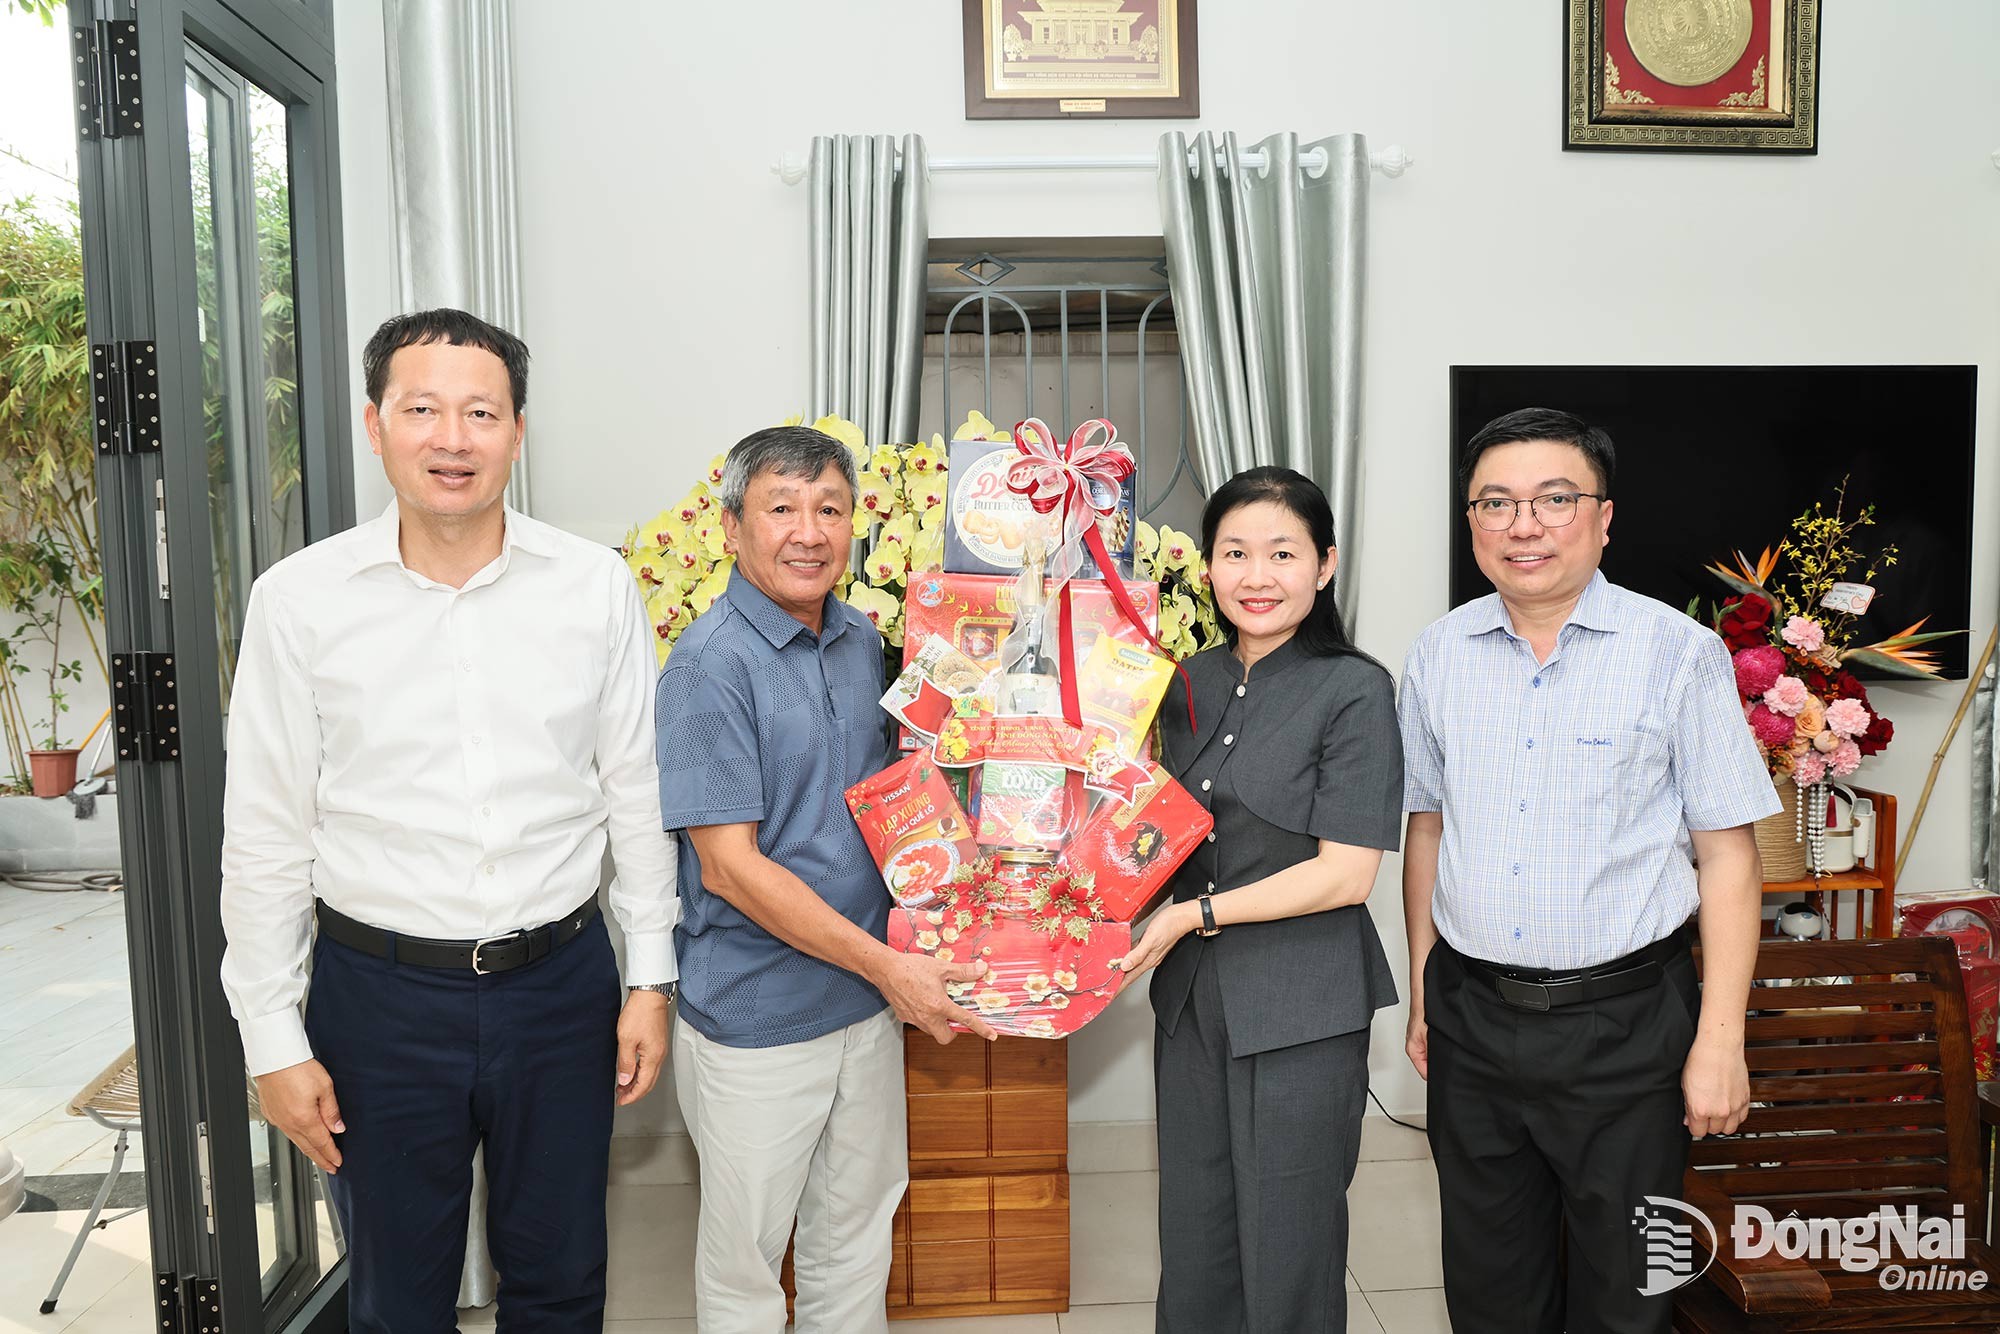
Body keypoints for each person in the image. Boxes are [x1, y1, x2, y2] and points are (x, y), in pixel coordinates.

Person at [217, 308, 680, 1331]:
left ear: (517, 430)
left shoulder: (593, 586)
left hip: (559, 989)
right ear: (375, 424)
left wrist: (650, 978)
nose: (452, 438)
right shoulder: (299, 600)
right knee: (395, 1301)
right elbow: (264, 834)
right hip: (376, 1000)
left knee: (563, 1283)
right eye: (422, 409)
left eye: (481, 412)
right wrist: (270, 1038)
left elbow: (637, 794)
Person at [1398, 407, 1778, 1333]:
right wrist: (1422, 993)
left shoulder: (1677, 653)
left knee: (1626, 1297)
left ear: (1603, 518)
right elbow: (1428, 830)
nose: (1523, 524)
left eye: (1554, 499)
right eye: (1496, 502)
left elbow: (1729, 856)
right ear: (1472, 521)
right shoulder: (1438, 654)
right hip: (1472, 1015)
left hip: (1627, 1027)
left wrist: (1720, 1042)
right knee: (1489, 1289)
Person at [654, 425, 995, 1334]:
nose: (808, 532)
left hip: (866, 1003)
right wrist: (890, 969)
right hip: (758, 1019)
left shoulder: (858, 638)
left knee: (856, 1243)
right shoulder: (707, 666)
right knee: (747, 1269)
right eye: (781, 508)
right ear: (733, 527)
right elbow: (730, 869)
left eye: (831, 509)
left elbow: (886, 805)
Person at [1117, 465, 1403, 1333]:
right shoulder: (1183, 682)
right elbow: (1144, 832)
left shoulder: (1356, 690)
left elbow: (1346, 874)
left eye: (1283, 553)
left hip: (1302, 1003)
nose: (1257, 575)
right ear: (1207, 565)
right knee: (1195, 1233)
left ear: (1325, 565)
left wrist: (1192, 916)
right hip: (1193, 1003)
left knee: (1289, 1240)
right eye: (1235, 553)